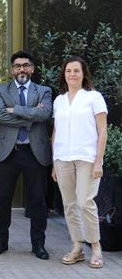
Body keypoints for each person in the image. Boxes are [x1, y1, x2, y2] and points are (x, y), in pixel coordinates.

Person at [0, 51, 52, 260]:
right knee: (3, 199)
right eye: (17, 66)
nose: (21, 69)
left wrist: (14, 109)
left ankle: (39, 244)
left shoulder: (43, 91)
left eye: (26, 65)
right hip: (9, 153)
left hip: (35, 153)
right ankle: (0, 242)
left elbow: (45, 113)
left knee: (37, 201)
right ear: (11, 69)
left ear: (32, 69)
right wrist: (29, 117)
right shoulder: (0, 89)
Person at [52, 56, 107, 268]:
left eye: (76, 71)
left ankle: (96, 247)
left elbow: (102, 130)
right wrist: (54, 162)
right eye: (68, 71)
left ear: (83, 74)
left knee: (85, 202)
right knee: (69, 204)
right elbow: (55, 132)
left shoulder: (94, 97)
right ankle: (77, 246)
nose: (72, 74)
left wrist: (98, 161)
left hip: (87, 157)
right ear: (64, 75)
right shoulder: (59, 100)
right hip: (62, 158)